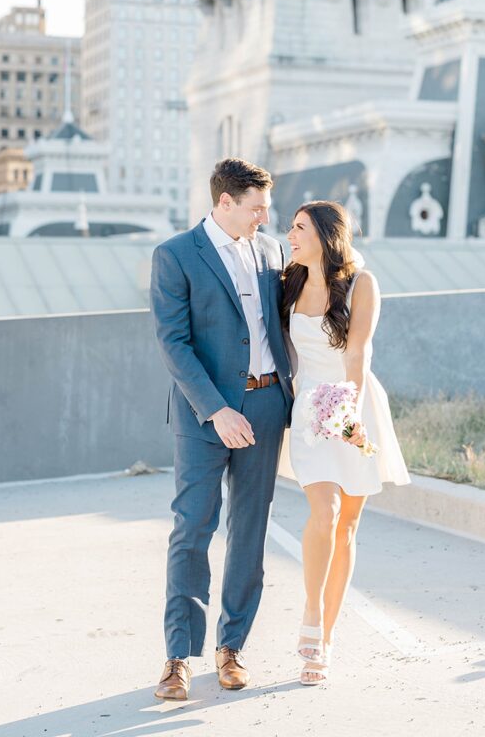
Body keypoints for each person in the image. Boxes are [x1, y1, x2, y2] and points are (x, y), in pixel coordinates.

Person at [150, 158, 293, 701]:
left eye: (266, 208)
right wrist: (215, 410)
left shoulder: (272, 251)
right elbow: (174, 343)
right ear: (225, 202)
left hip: (266, 406)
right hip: (205, 415)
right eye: (255, 207)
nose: (263, 217)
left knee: (250, 533)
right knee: (192, 529)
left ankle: (232, 648)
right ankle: (178, 657)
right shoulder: (176, 255)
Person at [284, 201, 410, 685]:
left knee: (348, 526)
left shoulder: (362, 284)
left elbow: (358, 349)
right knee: (325, 512)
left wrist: (352, 414)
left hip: (353, 405)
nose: (289, 235)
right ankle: (311, 614)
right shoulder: (287, 283)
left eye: (298, 228)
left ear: (324, 234)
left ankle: (328, 640)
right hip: (309, 409)